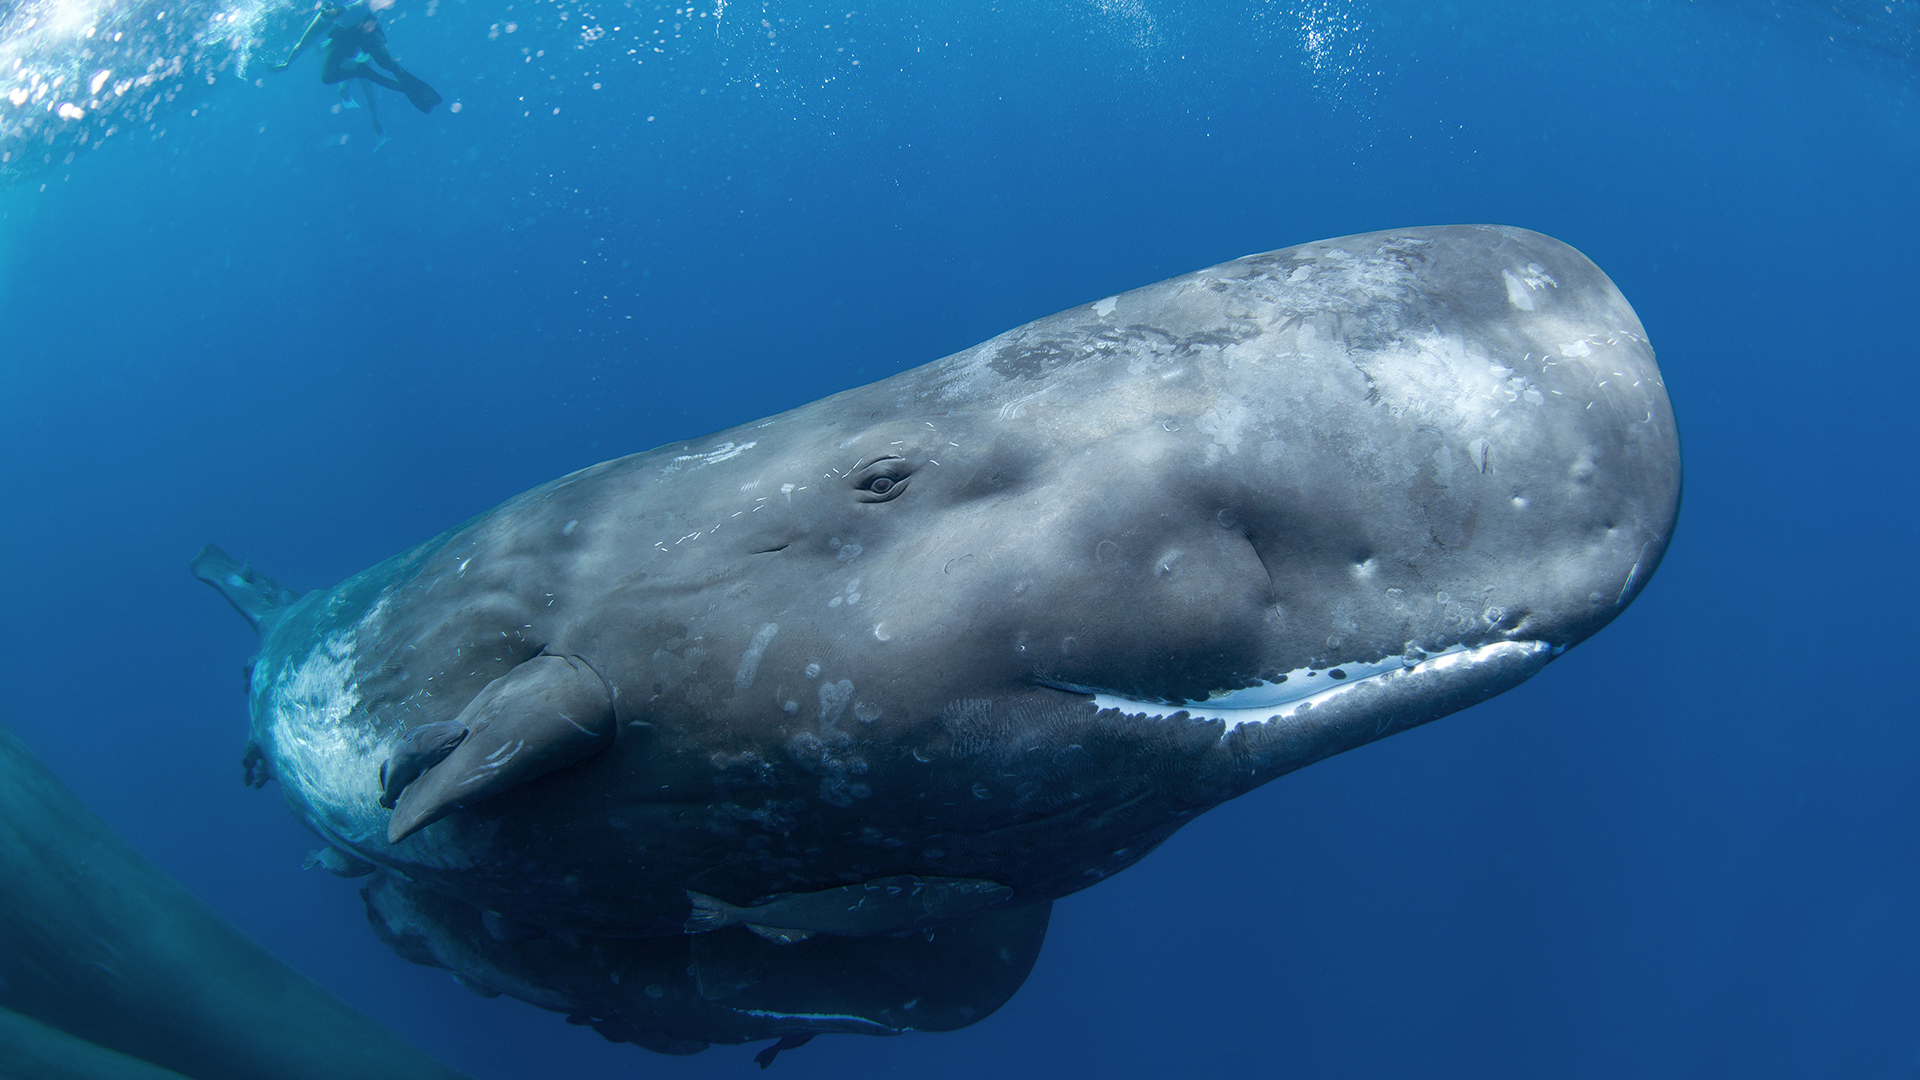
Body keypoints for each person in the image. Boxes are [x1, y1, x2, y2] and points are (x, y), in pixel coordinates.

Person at [270, 1, 441, 143]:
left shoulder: (347, 7)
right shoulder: (325, 15)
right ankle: (363, 71)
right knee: (327, 77)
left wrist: (353, 12)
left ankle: (410, 87)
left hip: (367, 30)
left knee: (387, 64)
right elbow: (303, 42)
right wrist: (287, 64)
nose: (329, 12)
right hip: (346, 37)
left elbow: (370, 4)